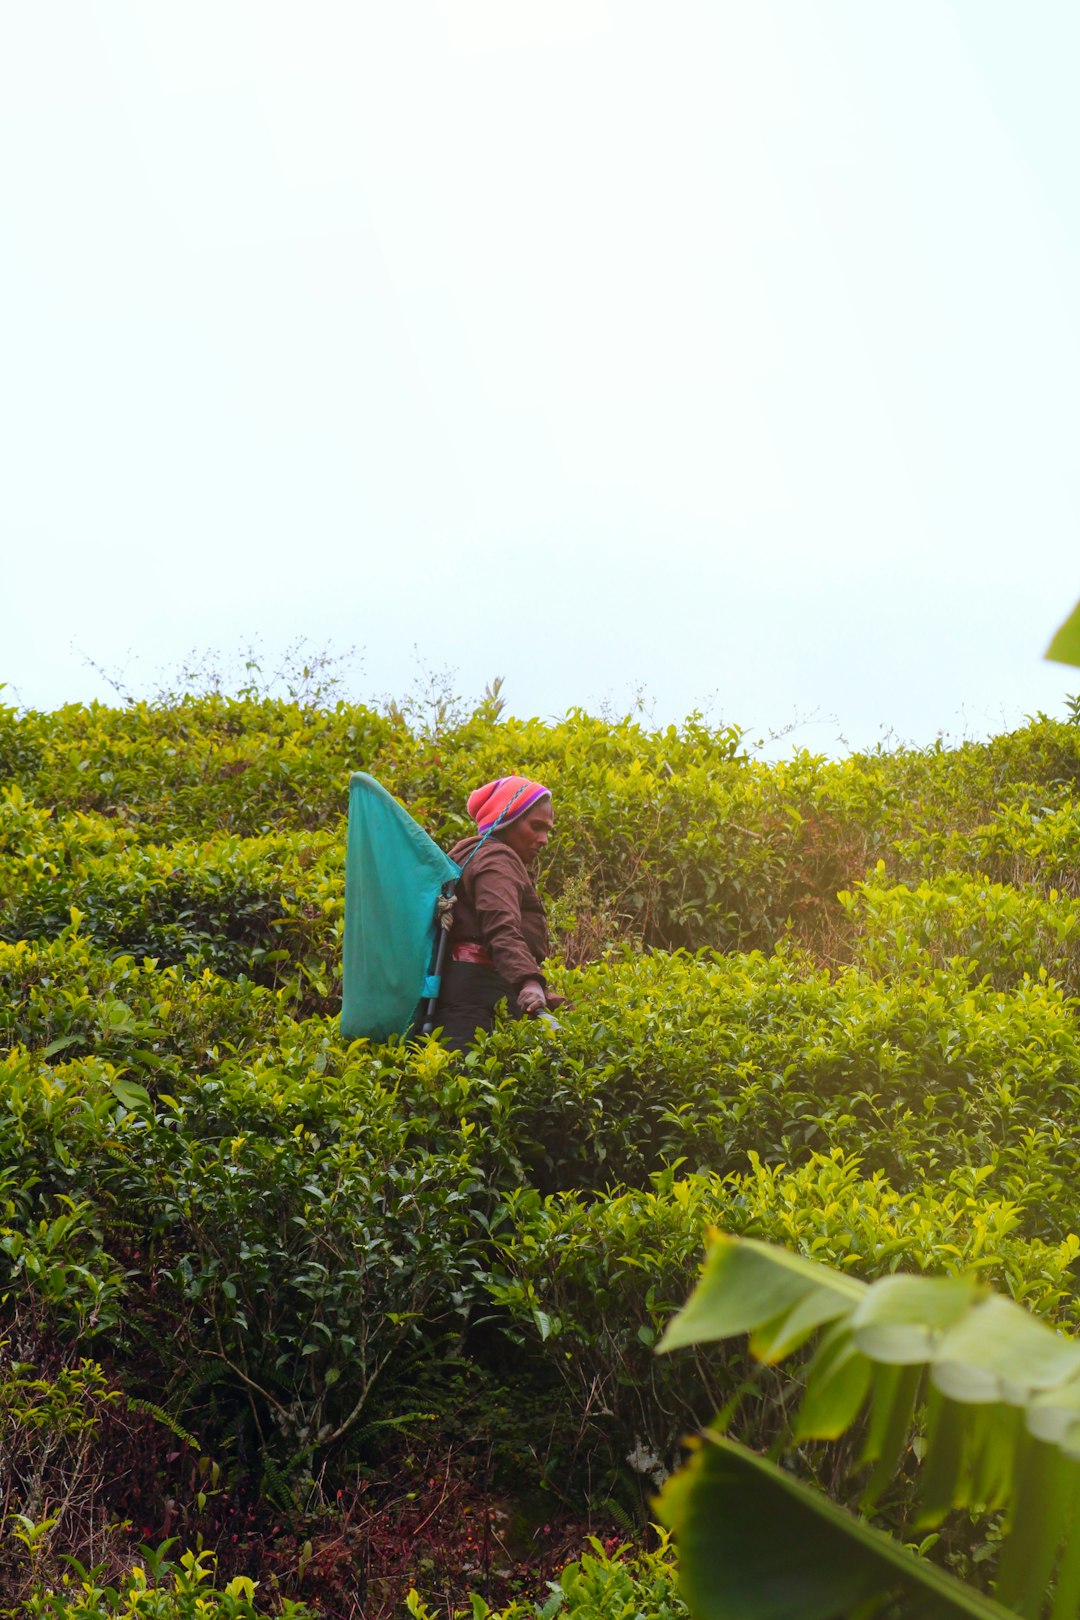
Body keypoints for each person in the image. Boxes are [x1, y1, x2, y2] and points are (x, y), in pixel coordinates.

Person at [436, 775, 563, 1051]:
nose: (543, 840)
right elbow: (501, 926)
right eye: (536, 827)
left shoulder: (470, 856)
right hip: (477, 996)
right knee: (468, 1086)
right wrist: (529, 981)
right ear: (506, 821)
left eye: (548, 830)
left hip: (463, 990)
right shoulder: (496, 859)